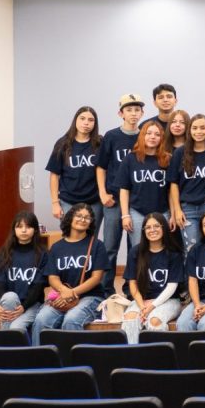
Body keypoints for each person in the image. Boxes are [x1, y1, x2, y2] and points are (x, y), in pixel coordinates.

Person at [32, 203, 109, 341]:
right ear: (70, 218)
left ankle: (72, 355)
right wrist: (64, 291)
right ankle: (40, 354)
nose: (83, 219)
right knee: (41, 320)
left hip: (90, 297)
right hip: (62, 296)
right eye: (79, 216)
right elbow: (52, 277)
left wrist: (72, 293)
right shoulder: (57, 247)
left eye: (87, 217)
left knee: (72, 319)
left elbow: (96, 278)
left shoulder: (97, 245)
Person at [96, 93, 144, 296]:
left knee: (136, 248)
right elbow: (101, 167)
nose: (133, 113)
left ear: (142, 113)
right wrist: (103, 193)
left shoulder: (145, 135)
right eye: (129, 110)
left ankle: (131, 289)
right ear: (121, 113)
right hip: (114, 200)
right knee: (110, 246)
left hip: (137, 200)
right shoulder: (111, 136)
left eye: (137, 110)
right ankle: (105, 290)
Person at [121, 212, 184, 344]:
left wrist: (152, 306)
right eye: (148, 227)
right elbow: (132, 284)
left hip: (168, 300)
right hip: (142, 300)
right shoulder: (135, 251)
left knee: (155, 320)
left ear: (164, 228)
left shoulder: (174, 253)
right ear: (143, 231)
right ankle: (131, 355)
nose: (152, 230)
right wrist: (141, 305)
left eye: (156, 226)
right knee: (130, 318)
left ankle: (156, 356)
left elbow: (172, 287)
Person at [115, 119, 173, 252]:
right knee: (138, 250)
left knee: (163, 250)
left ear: (162, 138)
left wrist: (172, 215)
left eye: (157, 134)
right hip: (137, 212)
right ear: (142, 136)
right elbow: (124, 189)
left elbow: (171, 190)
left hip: (163, 212)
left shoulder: (168, 159)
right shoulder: (130, 159)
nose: (153, 137)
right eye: (149, 133)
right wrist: (125, 215)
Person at [168, 113, 205, 253]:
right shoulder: (180, 153)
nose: (199, 132)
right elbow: (173, 184)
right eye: (195, 128)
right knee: (191, 249)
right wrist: (177, 210)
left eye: (202, 128)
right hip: (187, 209)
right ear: (189, 131)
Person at [46, 105, 102, 232]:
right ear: (75, 120)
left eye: (90, 120)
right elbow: (54, 175)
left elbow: (104, 171)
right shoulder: (63, 143)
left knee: (91, 238)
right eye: (82, 118)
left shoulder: (100, 143)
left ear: (95, 123)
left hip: (94, 201)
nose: (86, 123)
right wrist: (55, 203)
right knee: (70, 236)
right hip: (68, 201)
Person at [0, 211, 47, 335]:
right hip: (10, 304)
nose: (24, 230)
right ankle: (9, 342)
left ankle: (7, 343)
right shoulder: (4, 253)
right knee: (9, 297)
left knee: (16, 327)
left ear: (35, 230)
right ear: (14, 230)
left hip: (32, 305)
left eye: (28, 226)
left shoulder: (42, 254)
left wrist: (24, 307)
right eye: (19, 226)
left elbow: (38, 287)